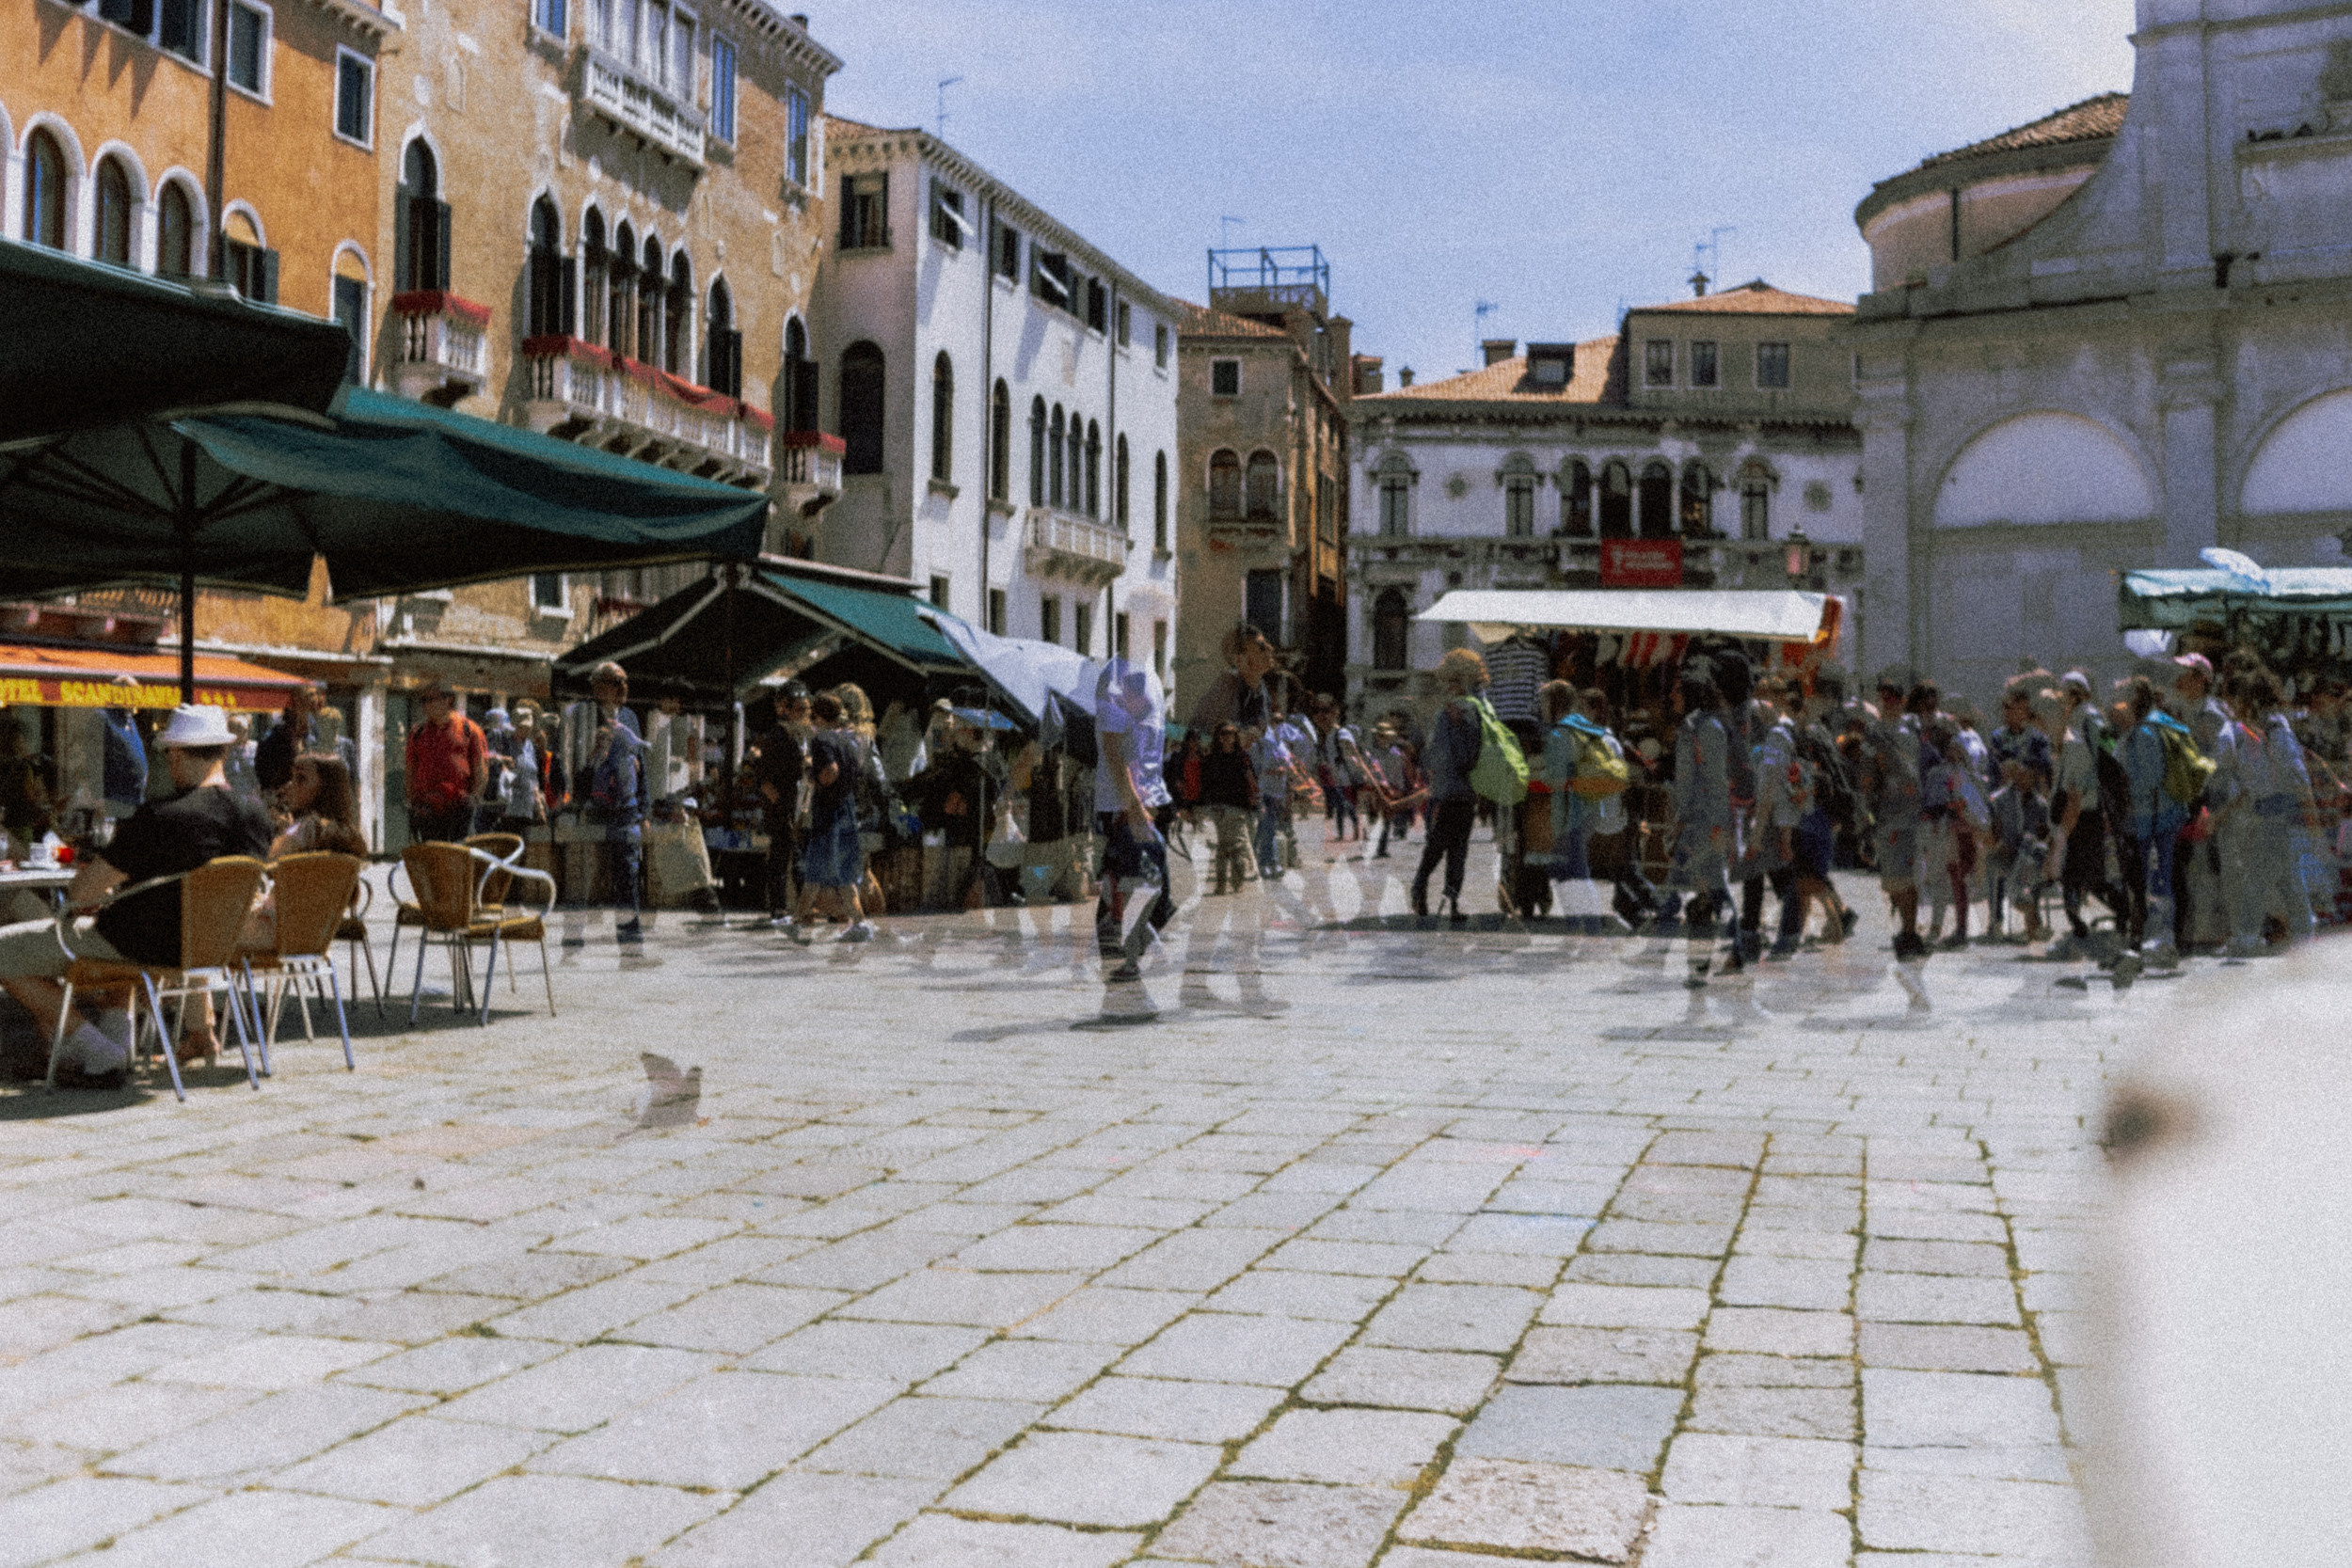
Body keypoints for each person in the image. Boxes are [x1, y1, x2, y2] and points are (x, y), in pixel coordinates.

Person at [0, 705, 273, 1086]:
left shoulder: (160, 816)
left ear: (174, 754)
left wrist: (103, 889)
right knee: (113, 933)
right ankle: (113, 1049)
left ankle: (95, 1049)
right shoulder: (256, 816)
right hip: (210, 947)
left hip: (140, 945)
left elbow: (80, 892)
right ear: (223, 751)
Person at [2211, 666, 2315, 958]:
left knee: (2258, 877)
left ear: (2250, 700)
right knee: (2288, 878)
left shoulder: (2276, 733)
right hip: (2265, 814)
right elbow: (2249, 782)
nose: (2231, 707)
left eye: (2236, 700)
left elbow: (2299, 779)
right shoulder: (2252, 733)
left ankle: (2246, 936)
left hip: (2277, 814)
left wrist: (2313, 824)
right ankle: (2305, 931)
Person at [1094, 653, 1174, 980]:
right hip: (1138, 804)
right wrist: (1137, 806)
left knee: (1142, 888)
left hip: (1139, 804)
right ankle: (1137, 954)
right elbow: (1121, 754)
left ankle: (1137, 954)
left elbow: (1129, 755)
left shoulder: (1135, 678)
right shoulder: (1134, 680)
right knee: (1138, 886)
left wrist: (1140, 806)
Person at [1668, 663, 1735, 984]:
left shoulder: (1696, 728)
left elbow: (1691, 782)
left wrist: (1680, 822)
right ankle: (1720, 955)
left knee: (1705, 894)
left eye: (1678, 690)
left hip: (1703, 823)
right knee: (1709, 890)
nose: (1672, 696)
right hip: (1711, 820)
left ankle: (1705, 963)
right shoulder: (1711, 726)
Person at [1409, 647, 1486, 924]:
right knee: (1446, 847)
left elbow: (1435, 754)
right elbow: (1460, 755)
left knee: (1449, 848)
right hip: (1454, 790)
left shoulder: (1459, 709)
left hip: (1453, 791)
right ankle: (1429, 892)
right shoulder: (1458, 711)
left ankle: (1438, 895)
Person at [791, 693, 874, 942]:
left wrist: (813, 777)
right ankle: (798, 922)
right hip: (846, 809)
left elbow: (830, 772)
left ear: (817, 716)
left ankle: (797, 923)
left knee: (817, 871)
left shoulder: (821, 740)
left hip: (828, 813)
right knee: (839, 873)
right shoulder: (847, 741)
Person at [578, 661, 649, 943]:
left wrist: (645, 810)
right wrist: (596, 754)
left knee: (628, 877)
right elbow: (574, 771)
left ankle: (631, 947)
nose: (623, 688)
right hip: (594, 810)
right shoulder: (584, 717)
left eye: (625, 682)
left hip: (626, 810)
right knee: (585, 880)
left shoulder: (630, 717)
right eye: (616, 681)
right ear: (598, 687)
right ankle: (573, 945)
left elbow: (641, 763)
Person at [1859, 669, 1927, 959]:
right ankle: (1908, 930)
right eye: (1884, 696)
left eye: (1895, 697)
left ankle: (1910, 932)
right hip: (1885, 816)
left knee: (1903, 877)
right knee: (1893, 878)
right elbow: (1865, 774)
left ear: (1903, 700)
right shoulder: (1873, 733)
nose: (1889, 702)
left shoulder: (1909, 731)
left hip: (1907, 816)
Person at [751, 682, 811, 929]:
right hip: (784, 805)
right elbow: (762, 774)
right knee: (782, 857)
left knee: (795, 855)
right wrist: (774, 798)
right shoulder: (779, 734)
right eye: (799, 708)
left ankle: (802, 908)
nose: (803, 713)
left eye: (805, 708)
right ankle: (780, 908)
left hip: (798, 803)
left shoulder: (804, 733)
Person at [405, 680, 487, 846]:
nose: (425, 706)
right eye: (423, 701)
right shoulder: (418, 732)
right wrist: (411, 800)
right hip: (426, 809)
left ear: (447, 700)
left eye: (430, 700)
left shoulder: (469, 730)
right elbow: (410, 770)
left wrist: (475, 797)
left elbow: (481, 766)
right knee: (433, 860)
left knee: (457, 857)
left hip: (458, 808)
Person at [1197, 721, 1258, 895]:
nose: (1227, 736)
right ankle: (1236, 884)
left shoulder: (1212, 757)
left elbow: (1205, 783)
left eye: (1230, 733)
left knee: (1224, 846)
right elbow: (1251, 780)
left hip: (1220, 808)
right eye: (1225, 733)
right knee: (1237, 846)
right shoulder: (1241, 757)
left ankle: (1221, 885)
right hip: (1233, 807)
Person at [1188, 621, 1277, 736]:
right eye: (1261, 646)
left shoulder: (1261, 690)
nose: (1270, 649)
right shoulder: (1224, 691)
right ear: (1240, 660)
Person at [271, 752, 367, 858]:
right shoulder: (352, 838)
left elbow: (273, 863)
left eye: (301, 778)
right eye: (292, 777)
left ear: (326, 789)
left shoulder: (298, 835)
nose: (290, 785)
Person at [101, 678, 148, 821]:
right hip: (115, 801)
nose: (136, 699)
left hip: (135, 800)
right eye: (132, 694)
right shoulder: (103, 717)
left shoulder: (129, 719)